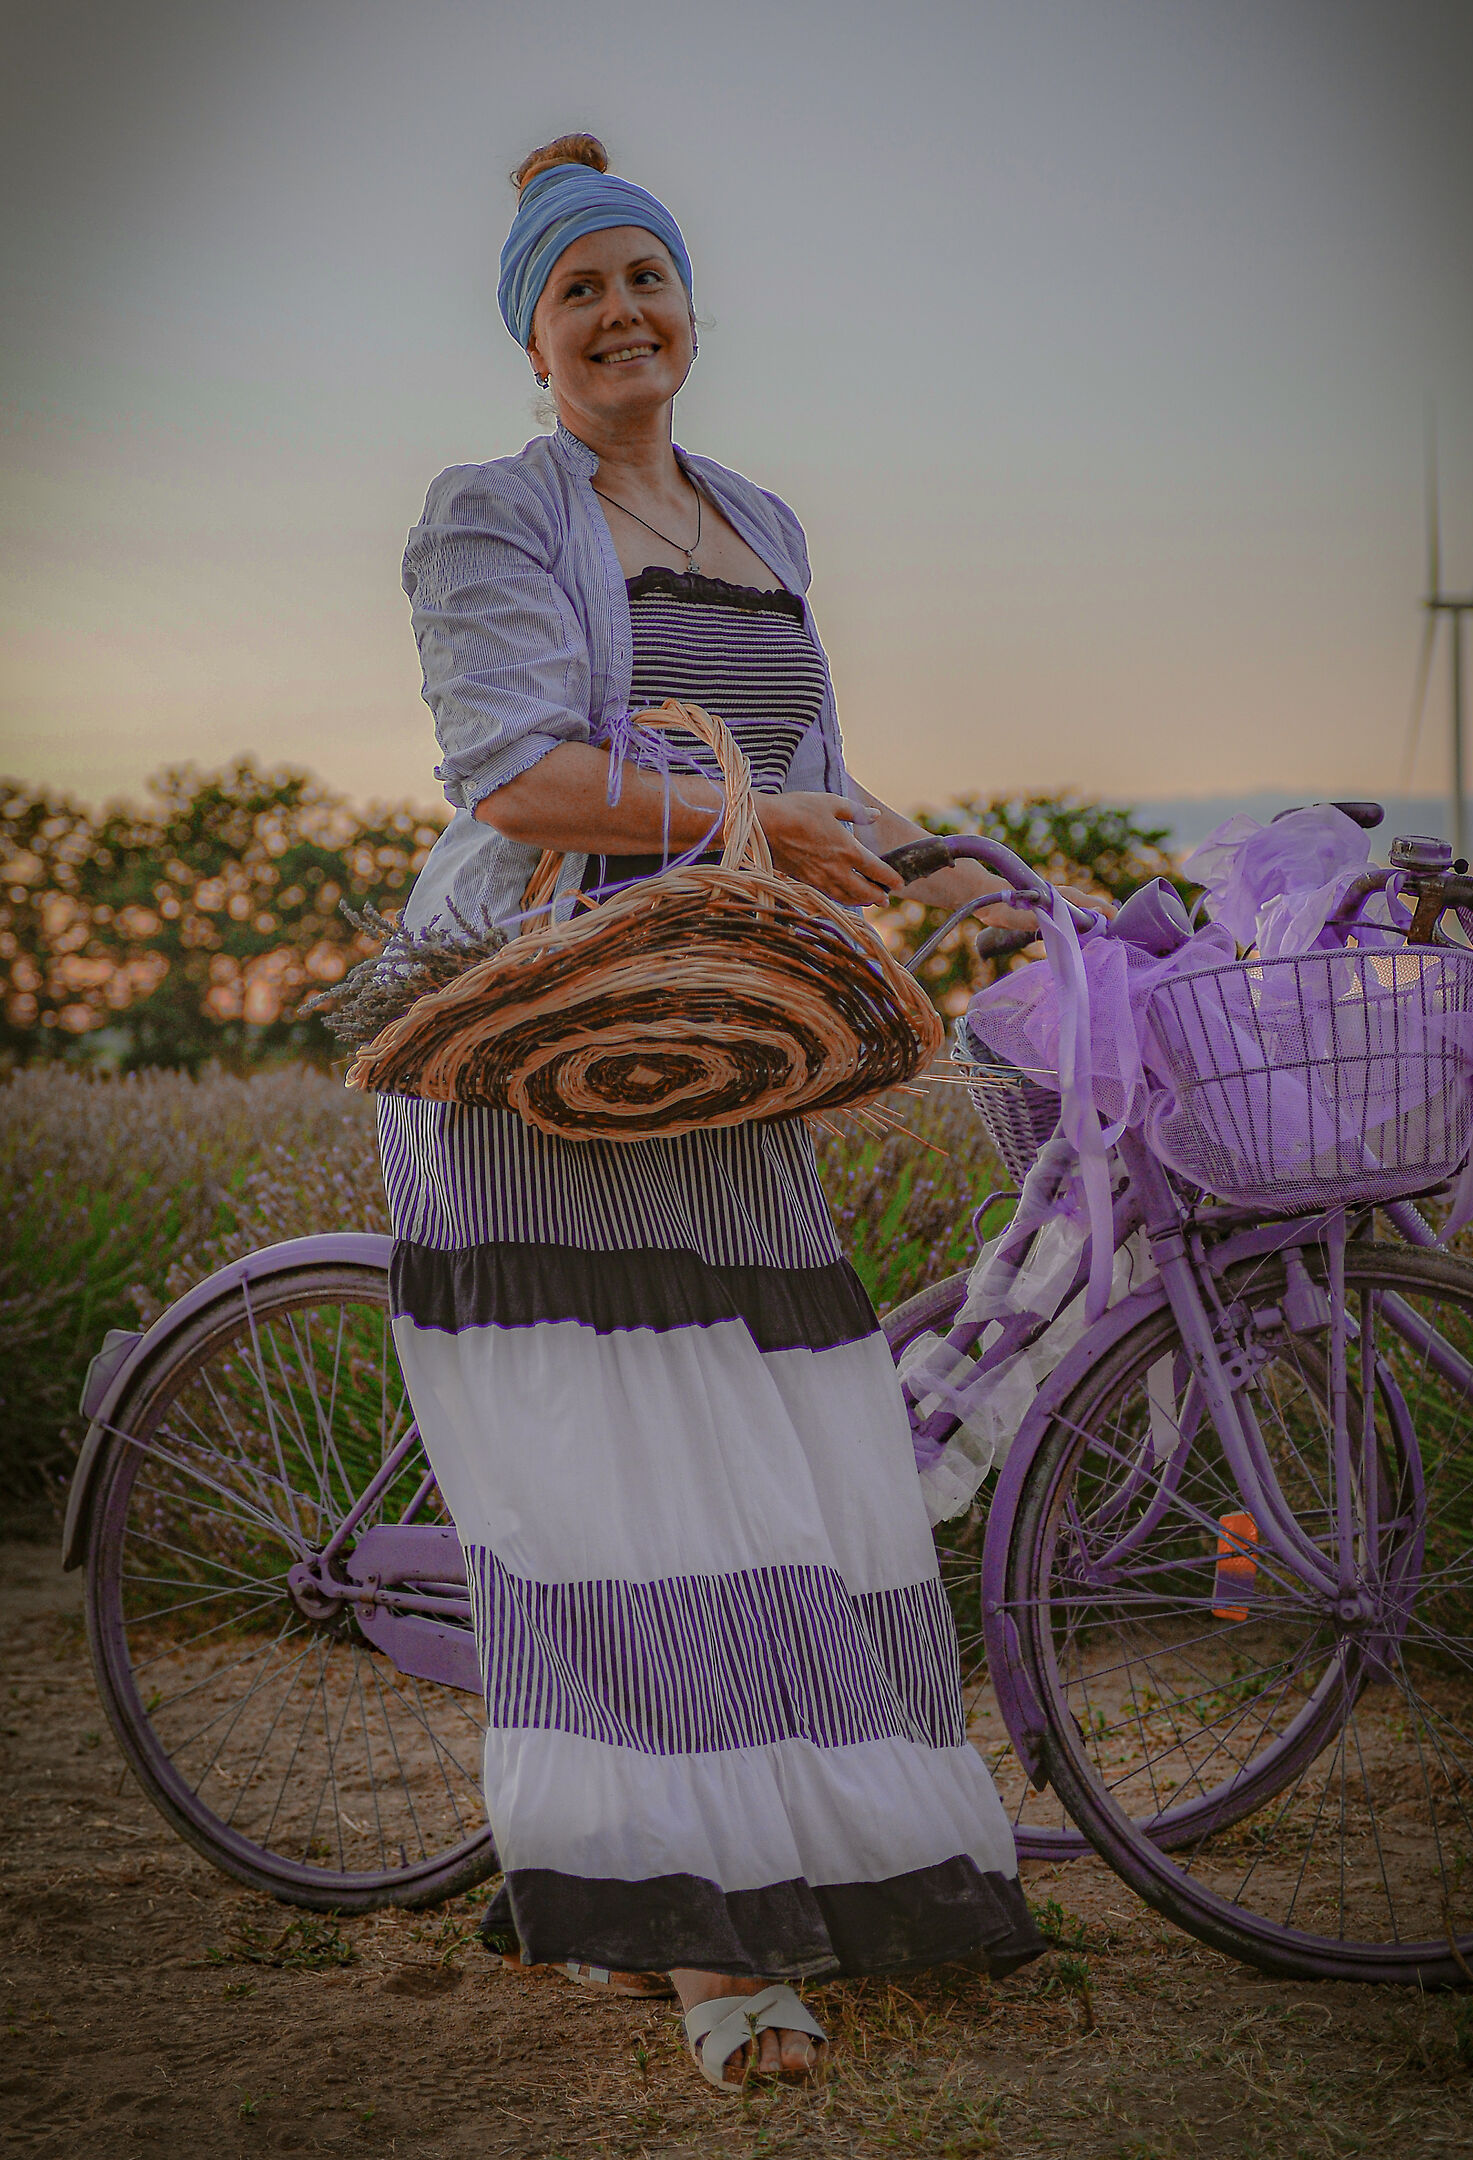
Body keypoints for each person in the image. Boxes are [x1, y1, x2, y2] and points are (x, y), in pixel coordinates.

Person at [377, 132, 1042, 2093]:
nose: (619, 315)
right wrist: (757, 824)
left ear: (691, 306)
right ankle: (694, 1944)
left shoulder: (760, 520)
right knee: (622, 1492)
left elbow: (822, 780)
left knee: (776, 1475)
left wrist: (978, 879)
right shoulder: (491, 513)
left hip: (718, 1038)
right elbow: (517, 775)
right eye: (575, 292)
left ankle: (777, 1861)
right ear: (534, 343)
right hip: (546, 1036)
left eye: (642, 277)